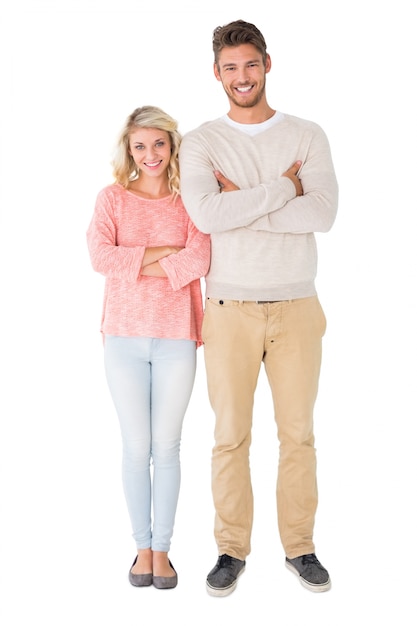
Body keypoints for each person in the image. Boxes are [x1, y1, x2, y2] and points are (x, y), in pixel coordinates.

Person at [178, 20, 338, 596]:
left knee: (298, 434)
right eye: (229, 68)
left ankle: (301, 547)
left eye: (250, 64)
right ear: (216, 74)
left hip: (297, 305)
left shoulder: (306, 134)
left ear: (267, 64)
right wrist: (284, 189)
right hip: (229, 307)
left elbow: (322, 214)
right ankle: (230, 551)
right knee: (229, 436)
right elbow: (206, 218)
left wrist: (239, 203)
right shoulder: (199, 141)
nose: (241, 77)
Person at [87, 105, 211, 590]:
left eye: (158, 143)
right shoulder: (112, 199)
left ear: (172, 144)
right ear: (129, 150)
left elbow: (199, 258)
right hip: (122, 337)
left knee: (169, 446)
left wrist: (134, 260)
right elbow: (100, 257)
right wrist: (163, 253)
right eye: (140, 145)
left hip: (177, 335)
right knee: (137, 447)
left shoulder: (189, 203)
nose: (150, 154)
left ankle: (164, 551)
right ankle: (141, 550)